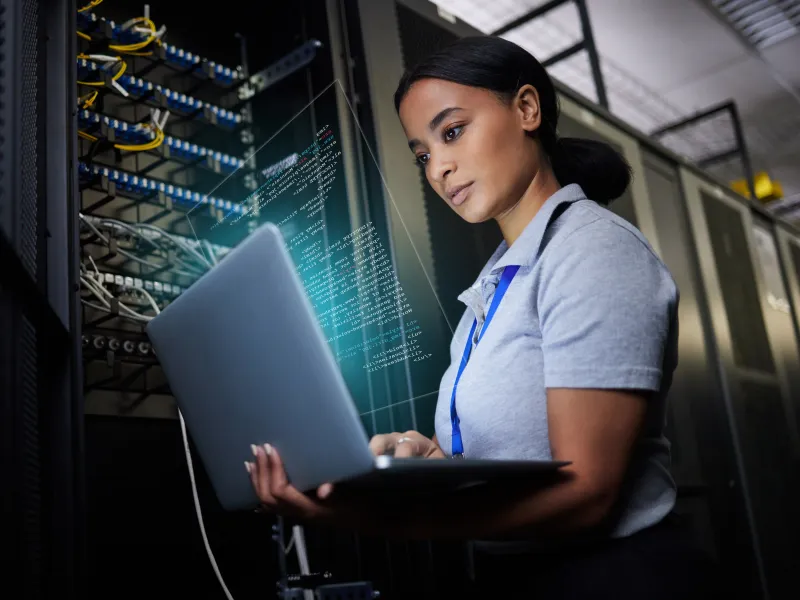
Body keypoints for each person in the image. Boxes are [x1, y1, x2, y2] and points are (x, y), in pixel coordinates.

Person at [244, 36, 722, 598]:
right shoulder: (498, 284)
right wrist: (437, 460)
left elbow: (587, 493)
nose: (438, 168)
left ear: (526, 109)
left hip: (615, 578)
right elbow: (521, 454)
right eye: (422, 154)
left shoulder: (593, 251)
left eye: (452, 132)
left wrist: (382, 521)